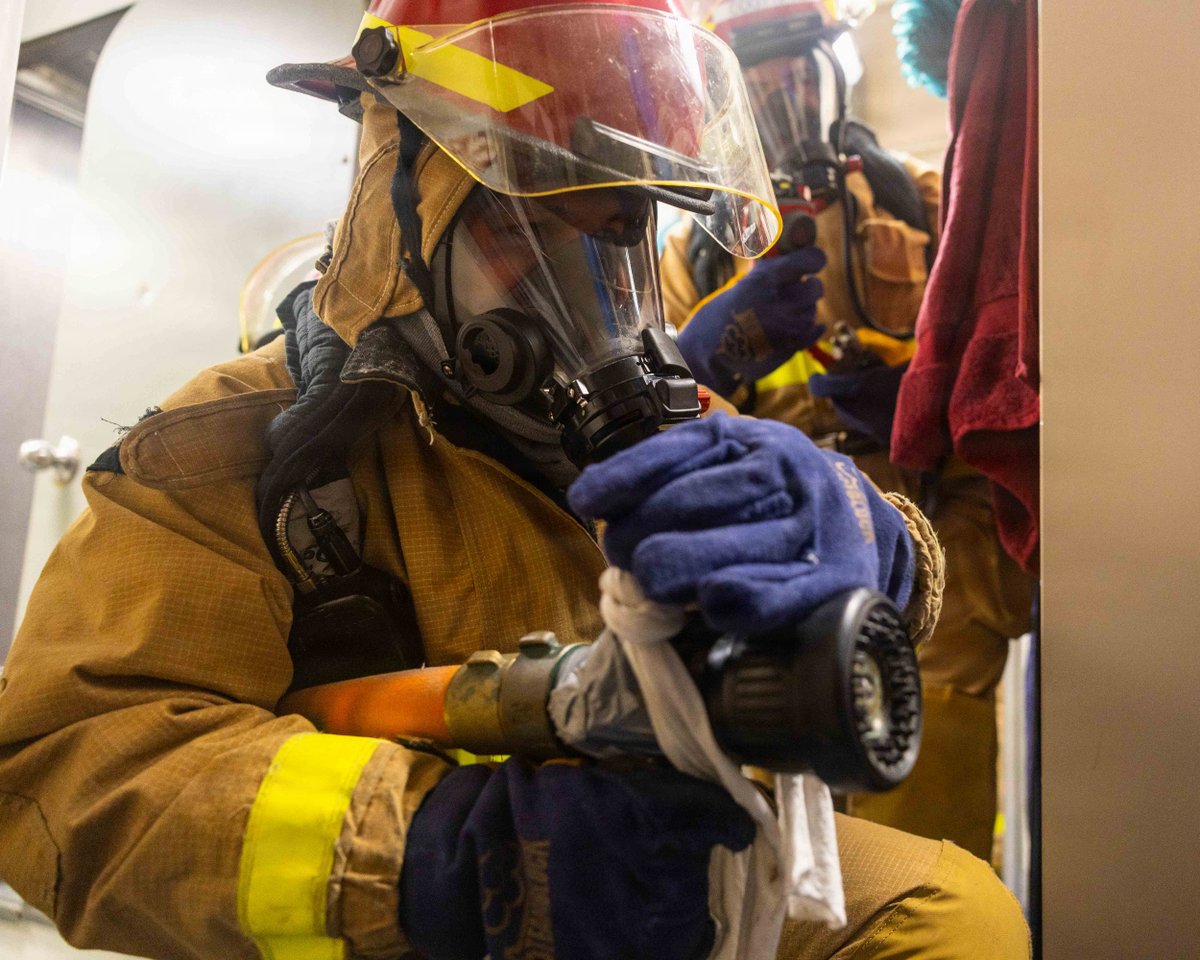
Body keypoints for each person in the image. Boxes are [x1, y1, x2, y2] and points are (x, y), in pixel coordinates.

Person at [0, 2, 1028, 958]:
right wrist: (446, 856)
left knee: (948, 918)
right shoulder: (238, 444)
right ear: (410, 205)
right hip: (403, 926)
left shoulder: (652, 410)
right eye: (533, 225)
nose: (597, 300)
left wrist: (870, 538)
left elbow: (850, 558)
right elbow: (72, 761)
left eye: (625, 234)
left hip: (656, 877)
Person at [660, 0, 1032, 861]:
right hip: (773, 572)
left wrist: (916, 398)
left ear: (833, 76)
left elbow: (998, 382)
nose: (782, 97)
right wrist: (710, 355)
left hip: (931, 568)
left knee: (927, 846)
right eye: (758, 82)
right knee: (774, 855)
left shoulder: (934, 202)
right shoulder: (695, 253)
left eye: (796, 73)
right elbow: (657, 425)